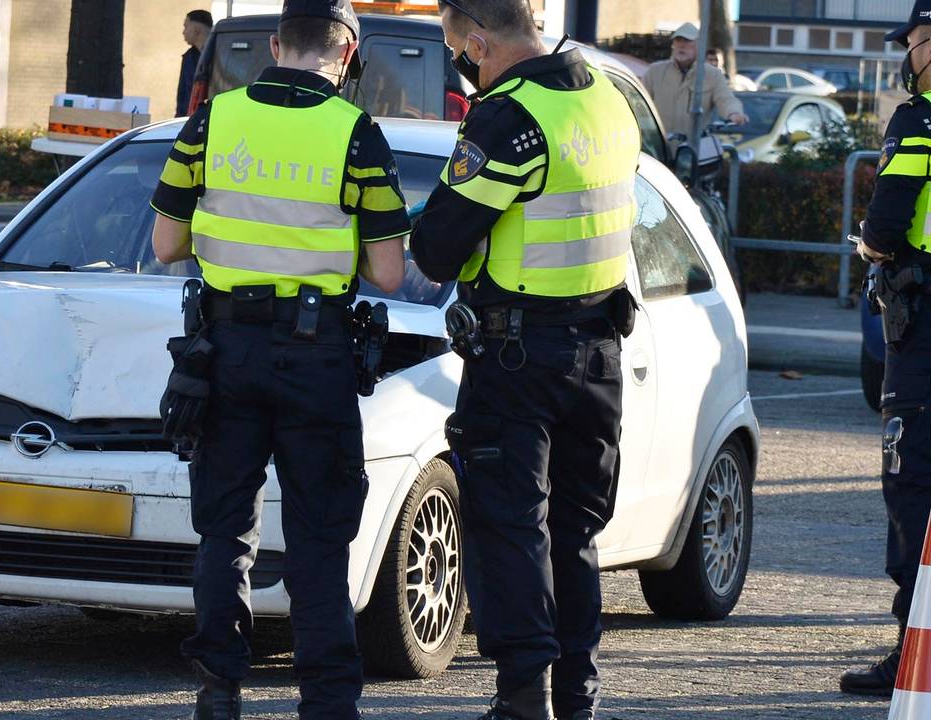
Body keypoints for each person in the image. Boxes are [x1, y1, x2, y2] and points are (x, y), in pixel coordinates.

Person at [150, 0, 408, 715]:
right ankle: (327, 704)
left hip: (223, 353)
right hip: (315, 354)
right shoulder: (356, 132)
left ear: (273, 44)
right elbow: (389, 275)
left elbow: (166, 245)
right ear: (348, 53)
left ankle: (217, 693)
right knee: (321, 539)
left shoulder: (213, 120)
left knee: (224, 532)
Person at [410, 0, 641, 718]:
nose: (461, 61)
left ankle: (521, 701)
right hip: (598, 350)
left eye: (457, 48)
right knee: (574, 533)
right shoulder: (607, 94)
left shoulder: (508, 118)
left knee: (511, 528)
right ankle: (577, 696)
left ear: (478, 41)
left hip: (519, 357)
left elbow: (437, 247)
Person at [844, 0, 931, 697]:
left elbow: (885, 225)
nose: (907, 53)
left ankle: (914, 651)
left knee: (913, 486)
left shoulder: (919, 122)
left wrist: (871, 245)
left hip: (924, 334)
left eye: (913, 40)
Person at [643, 22, 747, 138]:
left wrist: (734, 113)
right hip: (659, 144)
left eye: (687, 41)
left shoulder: (712, 74)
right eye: (678, 40)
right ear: (673, 45)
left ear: (699, 46)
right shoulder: (656, 71)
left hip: (694, 147)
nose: (681, 45)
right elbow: (639, 102)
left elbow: (726, 99)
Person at [176, 9, 213, 117]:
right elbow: (182, 96)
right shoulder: (188, 57)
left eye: (186, 26)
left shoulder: (220, 54)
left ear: (197, 29)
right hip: (189, 119)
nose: (183, 32)